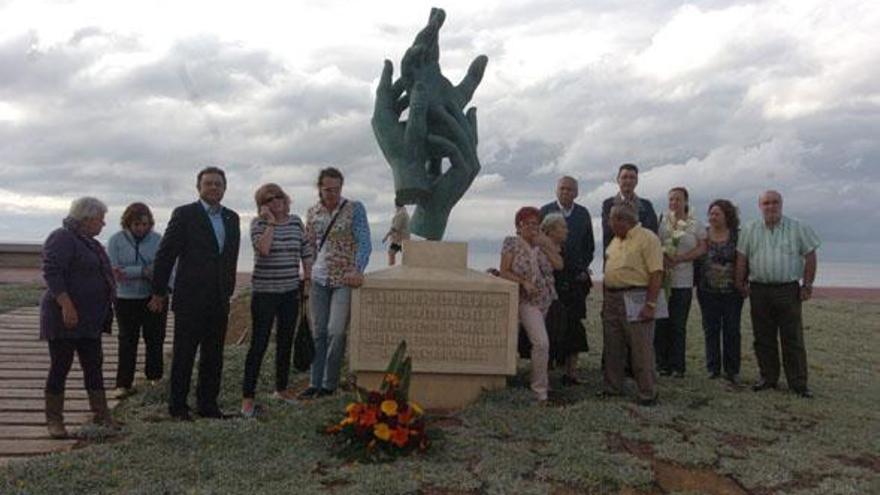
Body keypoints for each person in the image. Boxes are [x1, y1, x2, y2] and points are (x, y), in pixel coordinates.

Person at [148, 166, 241, 420]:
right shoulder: (185, 214)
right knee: (184, 355)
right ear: (199, 187)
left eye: (218, 184)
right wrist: (158, 290)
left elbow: (229, 258)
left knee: (214, 356)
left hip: (219, 298)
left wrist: (229, 289)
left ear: (225, 188)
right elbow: (166, 254)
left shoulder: (232, 218)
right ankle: (178, 407)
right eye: (208, 183)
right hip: (190, 297)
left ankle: (208, 405)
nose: (214, 187)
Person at [41, 197, 118, 438]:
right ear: (87, 218)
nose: (103, 224)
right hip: (65, 317)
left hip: (90, 319)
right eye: (100, 219)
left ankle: (102, 415)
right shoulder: (62, 237)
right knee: (60, 366)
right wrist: (67, 305)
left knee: (94, 365)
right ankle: (54, 420)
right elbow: (52, 273)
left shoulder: (90, 243)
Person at [735, 190, 820, 398]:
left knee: (793, 338)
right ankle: (768, 378)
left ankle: (798, 383)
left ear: (781, 204)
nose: (771, 206)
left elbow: (810, 256)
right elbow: (742, 258)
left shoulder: (798, 227)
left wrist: (807, 285)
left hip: (788, 289)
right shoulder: (749, 228)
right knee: (763, 337)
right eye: (766, 203)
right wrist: (739, 282)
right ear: (760, 206)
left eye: (775, 202)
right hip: (759, 289)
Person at [240, 184, 313, 418]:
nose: (275, 201)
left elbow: (306, 251)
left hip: (290, 292)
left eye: (278, 196)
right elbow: (263, 249)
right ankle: (248, 399)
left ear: (285, 198)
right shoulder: (257, 224)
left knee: (285, 343)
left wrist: (308, 279)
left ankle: (281, 390)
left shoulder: (295, 222)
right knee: (259, 345)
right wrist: (270, 222)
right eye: (268, 199)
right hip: (264, 293)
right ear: (262, 205)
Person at [299, 167, 371, 399]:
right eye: (327, 189)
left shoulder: (354, 209)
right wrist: (307, 273)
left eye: (336, 189)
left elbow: (364, 242)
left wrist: (357, 268)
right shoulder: (313, 212)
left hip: (344, 278)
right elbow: (309, 245)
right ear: (320, 188)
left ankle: (329, 384)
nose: (332, 193)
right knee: (319, 332)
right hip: (319, 278)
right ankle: (314, 382)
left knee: (336, 331)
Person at [600, 204, 664, 406]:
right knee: (613, 345)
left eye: (612, 221)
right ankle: (613, 387)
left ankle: (647, 391)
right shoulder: (614, 242)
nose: (610, 225)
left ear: (622, 220)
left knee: (640, 347)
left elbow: (656, 272)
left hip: (637, 295)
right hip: (612, 297)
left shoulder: (647, 238)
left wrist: (651, 303)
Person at [499, 207, 563, 403]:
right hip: (525, 301)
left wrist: (545, 244)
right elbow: (504, 270)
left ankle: (542, 383)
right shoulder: (511, 243)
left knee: (546, 343)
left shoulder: (541, 245)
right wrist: (523, 282)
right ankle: (539, 390)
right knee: (541, 342)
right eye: (527, 223)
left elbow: (559, 265)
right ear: (518, 226)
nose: (531, 227)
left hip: (546, 300)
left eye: (535, 224)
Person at [107, 203, 166, 397]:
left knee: (155, 339)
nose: (141, 228)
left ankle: (154, 380)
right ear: (128, 223)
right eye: (136, 224)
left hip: (153, 296)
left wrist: (131, 272)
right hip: (125, 298)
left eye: (145, 224)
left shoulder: (158, 240)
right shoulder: (116, 241)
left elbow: (163, 268)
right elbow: (114, 270)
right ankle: (123, 383)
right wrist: (142, 271)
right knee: (127, 341)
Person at [540, 176, 595, 383]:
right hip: (550, 281)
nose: (566, 192)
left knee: (574, 325)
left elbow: (589, 246)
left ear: (576, 192)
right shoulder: (544, 211)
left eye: (570, 189)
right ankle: (546, 366)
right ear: (556, 190)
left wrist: (581, 269)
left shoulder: (582, 214)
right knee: (550, 324)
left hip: (575, 281)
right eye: (562, 188)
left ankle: (571, 372)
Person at [654, 187, 706, 378]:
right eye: (671, 199)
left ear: (686, 201)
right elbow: (655, 244)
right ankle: (661, 364)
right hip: (663, 280)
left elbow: (702, 247)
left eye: (678, 199)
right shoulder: (663, 222)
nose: (674, 203)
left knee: (678, 325)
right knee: (661, 324)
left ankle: (678, 366)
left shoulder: (694, 224)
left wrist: (682, 258)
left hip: (683, 281)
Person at [698, 199, 744, 383]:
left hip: (732, 293)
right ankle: (713, 368)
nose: (713, 217)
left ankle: (732, 370)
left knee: (732, 330)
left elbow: (744, 259)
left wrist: (743, 282)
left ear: (727, 216)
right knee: (711, 329)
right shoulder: (704, 235)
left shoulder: (737, 236)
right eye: (711, 213)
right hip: (707, 291)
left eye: (717, 213)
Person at [601, 163, 659, 253]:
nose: (628, 181)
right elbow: (609, 232)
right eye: (624, 177)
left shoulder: (646, 206)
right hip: (616, 257)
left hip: (641, 258)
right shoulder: (608, 205)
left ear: (636, 181)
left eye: (632, 177)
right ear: (618, 180)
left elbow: (652, 232)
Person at [383, 198, 410, 266]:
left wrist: (386, 236)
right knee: (394, 253)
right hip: (400, 239)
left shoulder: (401, 214)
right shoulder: (402, 212)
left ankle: (392, 268)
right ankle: (394, 267)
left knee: (392, 253)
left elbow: (395, 228)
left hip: (400, 239)